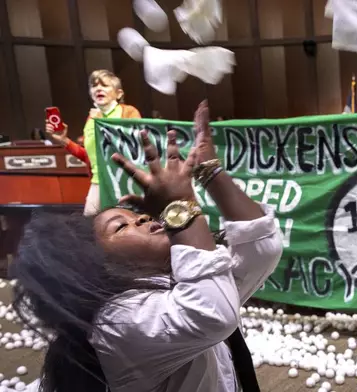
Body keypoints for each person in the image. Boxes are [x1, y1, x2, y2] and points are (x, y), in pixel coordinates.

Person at [12, 101, 283, 392]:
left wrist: (210, 172)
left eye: (138, 215)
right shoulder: (117, 321)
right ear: (103, 264)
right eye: (120, 226)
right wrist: (179, 206)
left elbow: (261, 250)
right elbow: (212, 313)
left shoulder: (177, 280)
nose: (142, 218)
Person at [46, 70, 142, 216]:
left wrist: (100, 122)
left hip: (125, 181)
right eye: (94, 86)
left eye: (105, 85)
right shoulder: (91, 118)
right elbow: (89, 157)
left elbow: (135, 145)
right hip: (98, 181)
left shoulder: (128, 112)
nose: (98, 89)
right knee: (91, 221)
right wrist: (64, 141)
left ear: (119, 93)